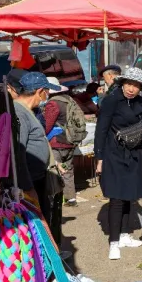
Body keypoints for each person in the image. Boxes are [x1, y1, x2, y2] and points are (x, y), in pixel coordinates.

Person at [94, 67, 142, 260]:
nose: (132, 89)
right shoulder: (111, 100)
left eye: (136, 85)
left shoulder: (140, 101)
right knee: (116, 198)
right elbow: (101, 130)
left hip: (134, 153)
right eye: (129, 84)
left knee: (129, 196)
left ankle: (125, 235)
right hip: (113, 154)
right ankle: (114, 242)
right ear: (122, 82)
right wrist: (99, 159)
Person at [14, 73, 64, 237]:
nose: (47, 96)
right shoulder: (19, 114)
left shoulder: (29, 111)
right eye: (47, 92)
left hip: (37, 178)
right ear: (40, 91)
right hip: (30, 182)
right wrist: (28, 187)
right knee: (34, 229)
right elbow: (17, 153)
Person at [42, 77, 86, 210]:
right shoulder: (68, 99)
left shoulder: (53, 104)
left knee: (54, 170)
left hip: (57, 141)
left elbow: (47, 125)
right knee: (68, 169)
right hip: (71, 140)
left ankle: (54, 197)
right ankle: (70, 198)